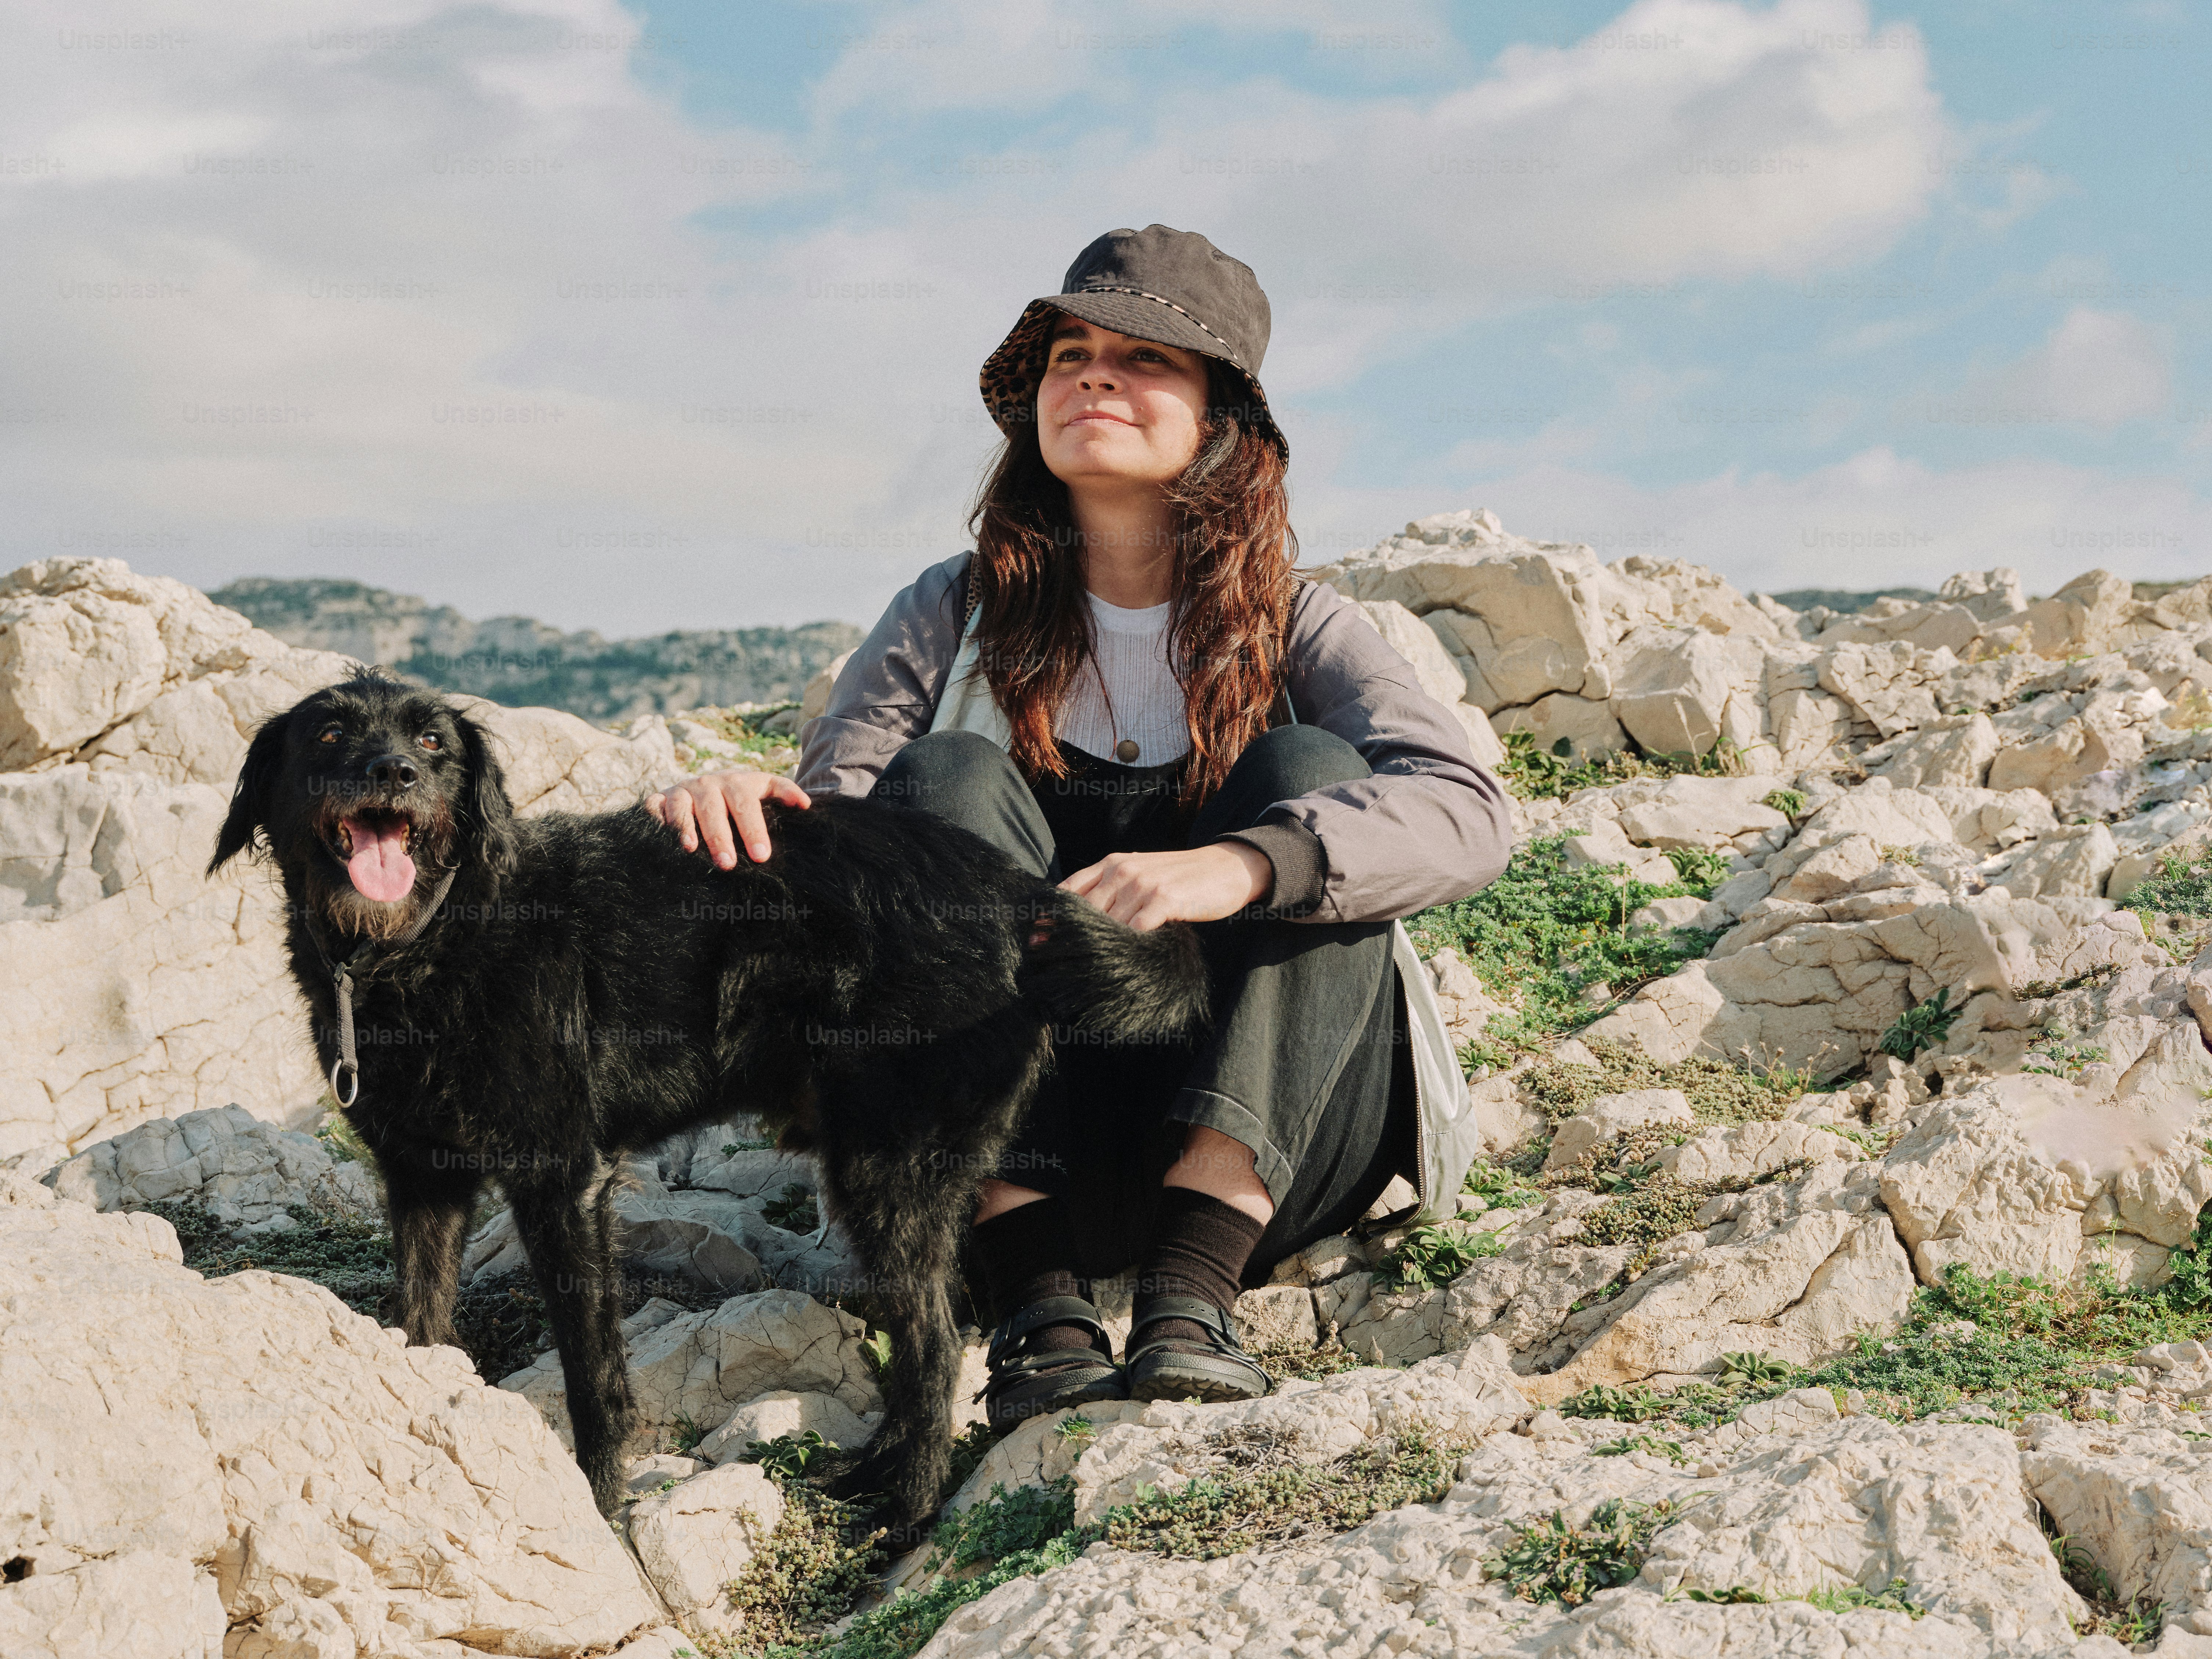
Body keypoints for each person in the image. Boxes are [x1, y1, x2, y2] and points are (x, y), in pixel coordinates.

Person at [645, 224, 1513, 1428]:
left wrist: (1240, 866)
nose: (1094, 376)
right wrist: (745, 812)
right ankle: (1036, 1305)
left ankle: (1190, 1296)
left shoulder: (1301, 624)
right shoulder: (948, 612)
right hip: (1004, 1139)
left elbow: (1469, 813)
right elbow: (836, 839)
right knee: (945, 780)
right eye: (1072, 353)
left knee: (1315, 776)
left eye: (1145, 358)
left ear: (1223, 420)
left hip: (1263, 1148)